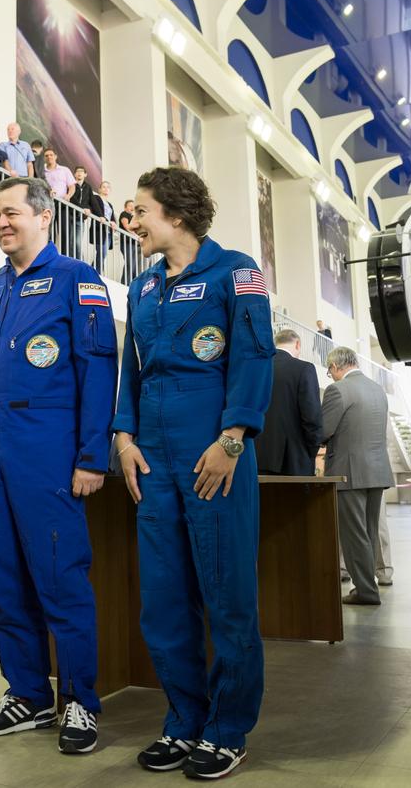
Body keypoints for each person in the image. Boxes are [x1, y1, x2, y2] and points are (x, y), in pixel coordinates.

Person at [113, 167, 274, 780]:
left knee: (227, 596)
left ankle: (227, 730)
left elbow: (254, 355)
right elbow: (131, 368)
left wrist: (233, 438)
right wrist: (123, 436)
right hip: (152, 455)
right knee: (163, 599)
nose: (132, 221)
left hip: (214, 449)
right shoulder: (143, 287)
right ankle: (184, 719)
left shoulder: (237, 272)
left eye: (141, 211)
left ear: (176, 215)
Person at [0, 176, 117, 755]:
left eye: (11, 212)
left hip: (50, 454)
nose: (0, 222)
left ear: (44, 216)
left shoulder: (78, 281)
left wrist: (92, 455)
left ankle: (79, 700)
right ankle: (28, 694)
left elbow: (99, 371)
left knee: (60, 580)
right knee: (2, 580)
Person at [320, 346, 393, 607]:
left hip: (349, 472)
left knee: (353, 535)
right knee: (369, 532)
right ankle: (367, 586)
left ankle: (365, 591)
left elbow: (324, 430)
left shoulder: (337, 390)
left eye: (330, 371)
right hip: (377, 471)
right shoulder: (377, 390)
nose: (331, 376)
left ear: (335, 366)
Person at [255, 329, 323, 477]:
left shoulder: (257, 369)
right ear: (297, 344)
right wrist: (312, 450)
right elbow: (312, 416)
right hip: (293, 460)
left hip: (258, 458)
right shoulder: (304, 368)